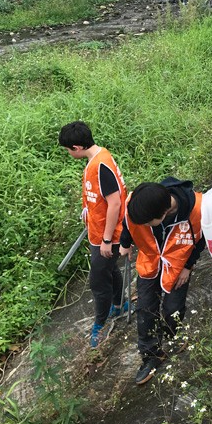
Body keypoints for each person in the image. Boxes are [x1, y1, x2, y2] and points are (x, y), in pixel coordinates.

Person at [120, 178, 205, 385]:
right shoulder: (138, 203)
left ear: (164, 214)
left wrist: (188, 266)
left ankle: (172, 334)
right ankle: (151, 355)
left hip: (177, 265)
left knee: (172, 308)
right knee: (145, 309)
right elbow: (128, 222)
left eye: (148, 223)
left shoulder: (197, 210)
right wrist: (125, 242)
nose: (145, 226)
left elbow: (201, 239)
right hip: (149, 262)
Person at [59, 121, 128, 348]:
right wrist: (88, 209)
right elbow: (100, 197)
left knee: (98, 282)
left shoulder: (101, 165)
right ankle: (120, 304)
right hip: (98, 231)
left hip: (108, 236)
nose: (68, 153)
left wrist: (107, 240)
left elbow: (115, 203)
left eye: (68, 150)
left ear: (77, 147)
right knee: (110, 270)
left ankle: (101, 323)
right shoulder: (97, 158)